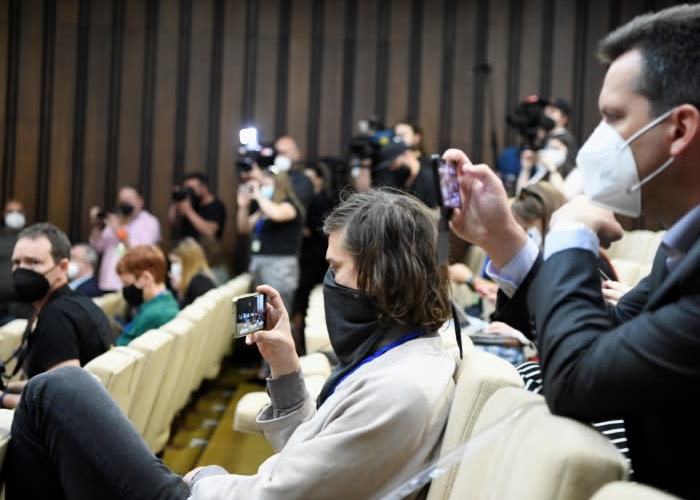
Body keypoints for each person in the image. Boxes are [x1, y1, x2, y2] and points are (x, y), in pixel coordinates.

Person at [443, 3, 700, 499]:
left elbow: (579, 379)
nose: (598, 139)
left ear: (680, 130)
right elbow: (604, 343)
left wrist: (569, 231)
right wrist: (506, 241)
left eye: (613, 117)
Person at [6, 188, 456, 499]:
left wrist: (202, 478)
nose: (328, 281)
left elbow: (278, 493)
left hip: (216, 495)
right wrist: (284, 368)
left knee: (57, 389)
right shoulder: (408, 358)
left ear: (379, 273)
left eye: (335, 268)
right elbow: (310, 461)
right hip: (231, 490)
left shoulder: (399, 389)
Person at [1, 223, 112, 409]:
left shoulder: (57, 318)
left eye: (34, 262)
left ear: (62, 267)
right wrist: (8, 388)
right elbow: (48, 383)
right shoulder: (79, 303)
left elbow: (61, 403)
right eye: (17, 263)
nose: (22, 270)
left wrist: (3, 399)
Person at [237, 166, 305, 314]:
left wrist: (258, 195)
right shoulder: (263, 209)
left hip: (279, 266)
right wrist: (243, 206)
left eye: (266, 183)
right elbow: (243, 228)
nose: (262, 187)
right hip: (259, 262)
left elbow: (277, 214)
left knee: (279, 312)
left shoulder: (290, 205)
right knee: (261, 315)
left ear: (280, 184)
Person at [291, 159, 338, 356]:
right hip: (317, 259)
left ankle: (302, 351)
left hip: (313, 260)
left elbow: (315, 231)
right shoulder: (324, 199)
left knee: (302, 306)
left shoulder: (317, 201)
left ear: (319, 179)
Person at [89, 184, 162, 291]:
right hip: (107, 282)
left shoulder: (149, 222)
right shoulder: (116, 219)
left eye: (129, 200)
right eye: (122, 200)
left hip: (131, 285)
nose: (125, 204)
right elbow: (97, 247)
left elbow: (142, 252)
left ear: (140, 202)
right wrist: (96, 225)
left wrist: (118, 231)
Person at [168, 172, 228, 283]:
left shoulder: (216, 205)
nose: (189, 191)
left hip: (207, 261)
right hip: (187, 259)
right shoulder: (190, 204)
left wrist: (188, 211)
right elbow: (173, 221)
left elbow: (210, 232)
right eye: (186, 188)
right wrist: (177, 200)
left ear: (204, 188)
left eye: (192, 188)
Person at [115, 245, 179, 346]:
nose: (124, 288)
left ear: (146, 278)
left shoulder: (153, 315)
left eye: (126, 283)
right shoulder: (169, 301)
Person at [372, 141, 438, 209]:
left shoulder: (430, 179)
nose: (392, 168)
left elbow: (435, 212)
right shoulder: (399, 178)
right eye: (389, 166)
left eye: (394, 163)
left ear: (407, 154)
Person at [0, 199, 32, 324]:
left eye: (19, 211)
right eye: (11, 211)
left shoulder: (35, 238)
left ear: (25, 214)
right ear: (3, 214)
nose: (15, 215)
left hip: (24, 307)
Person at [168, 237, 217, 308]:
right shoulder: (199, 278)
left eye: (176, 262)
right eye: (171, 263)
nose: (173, 268)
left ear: (188, 262)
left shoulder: (199, 285)